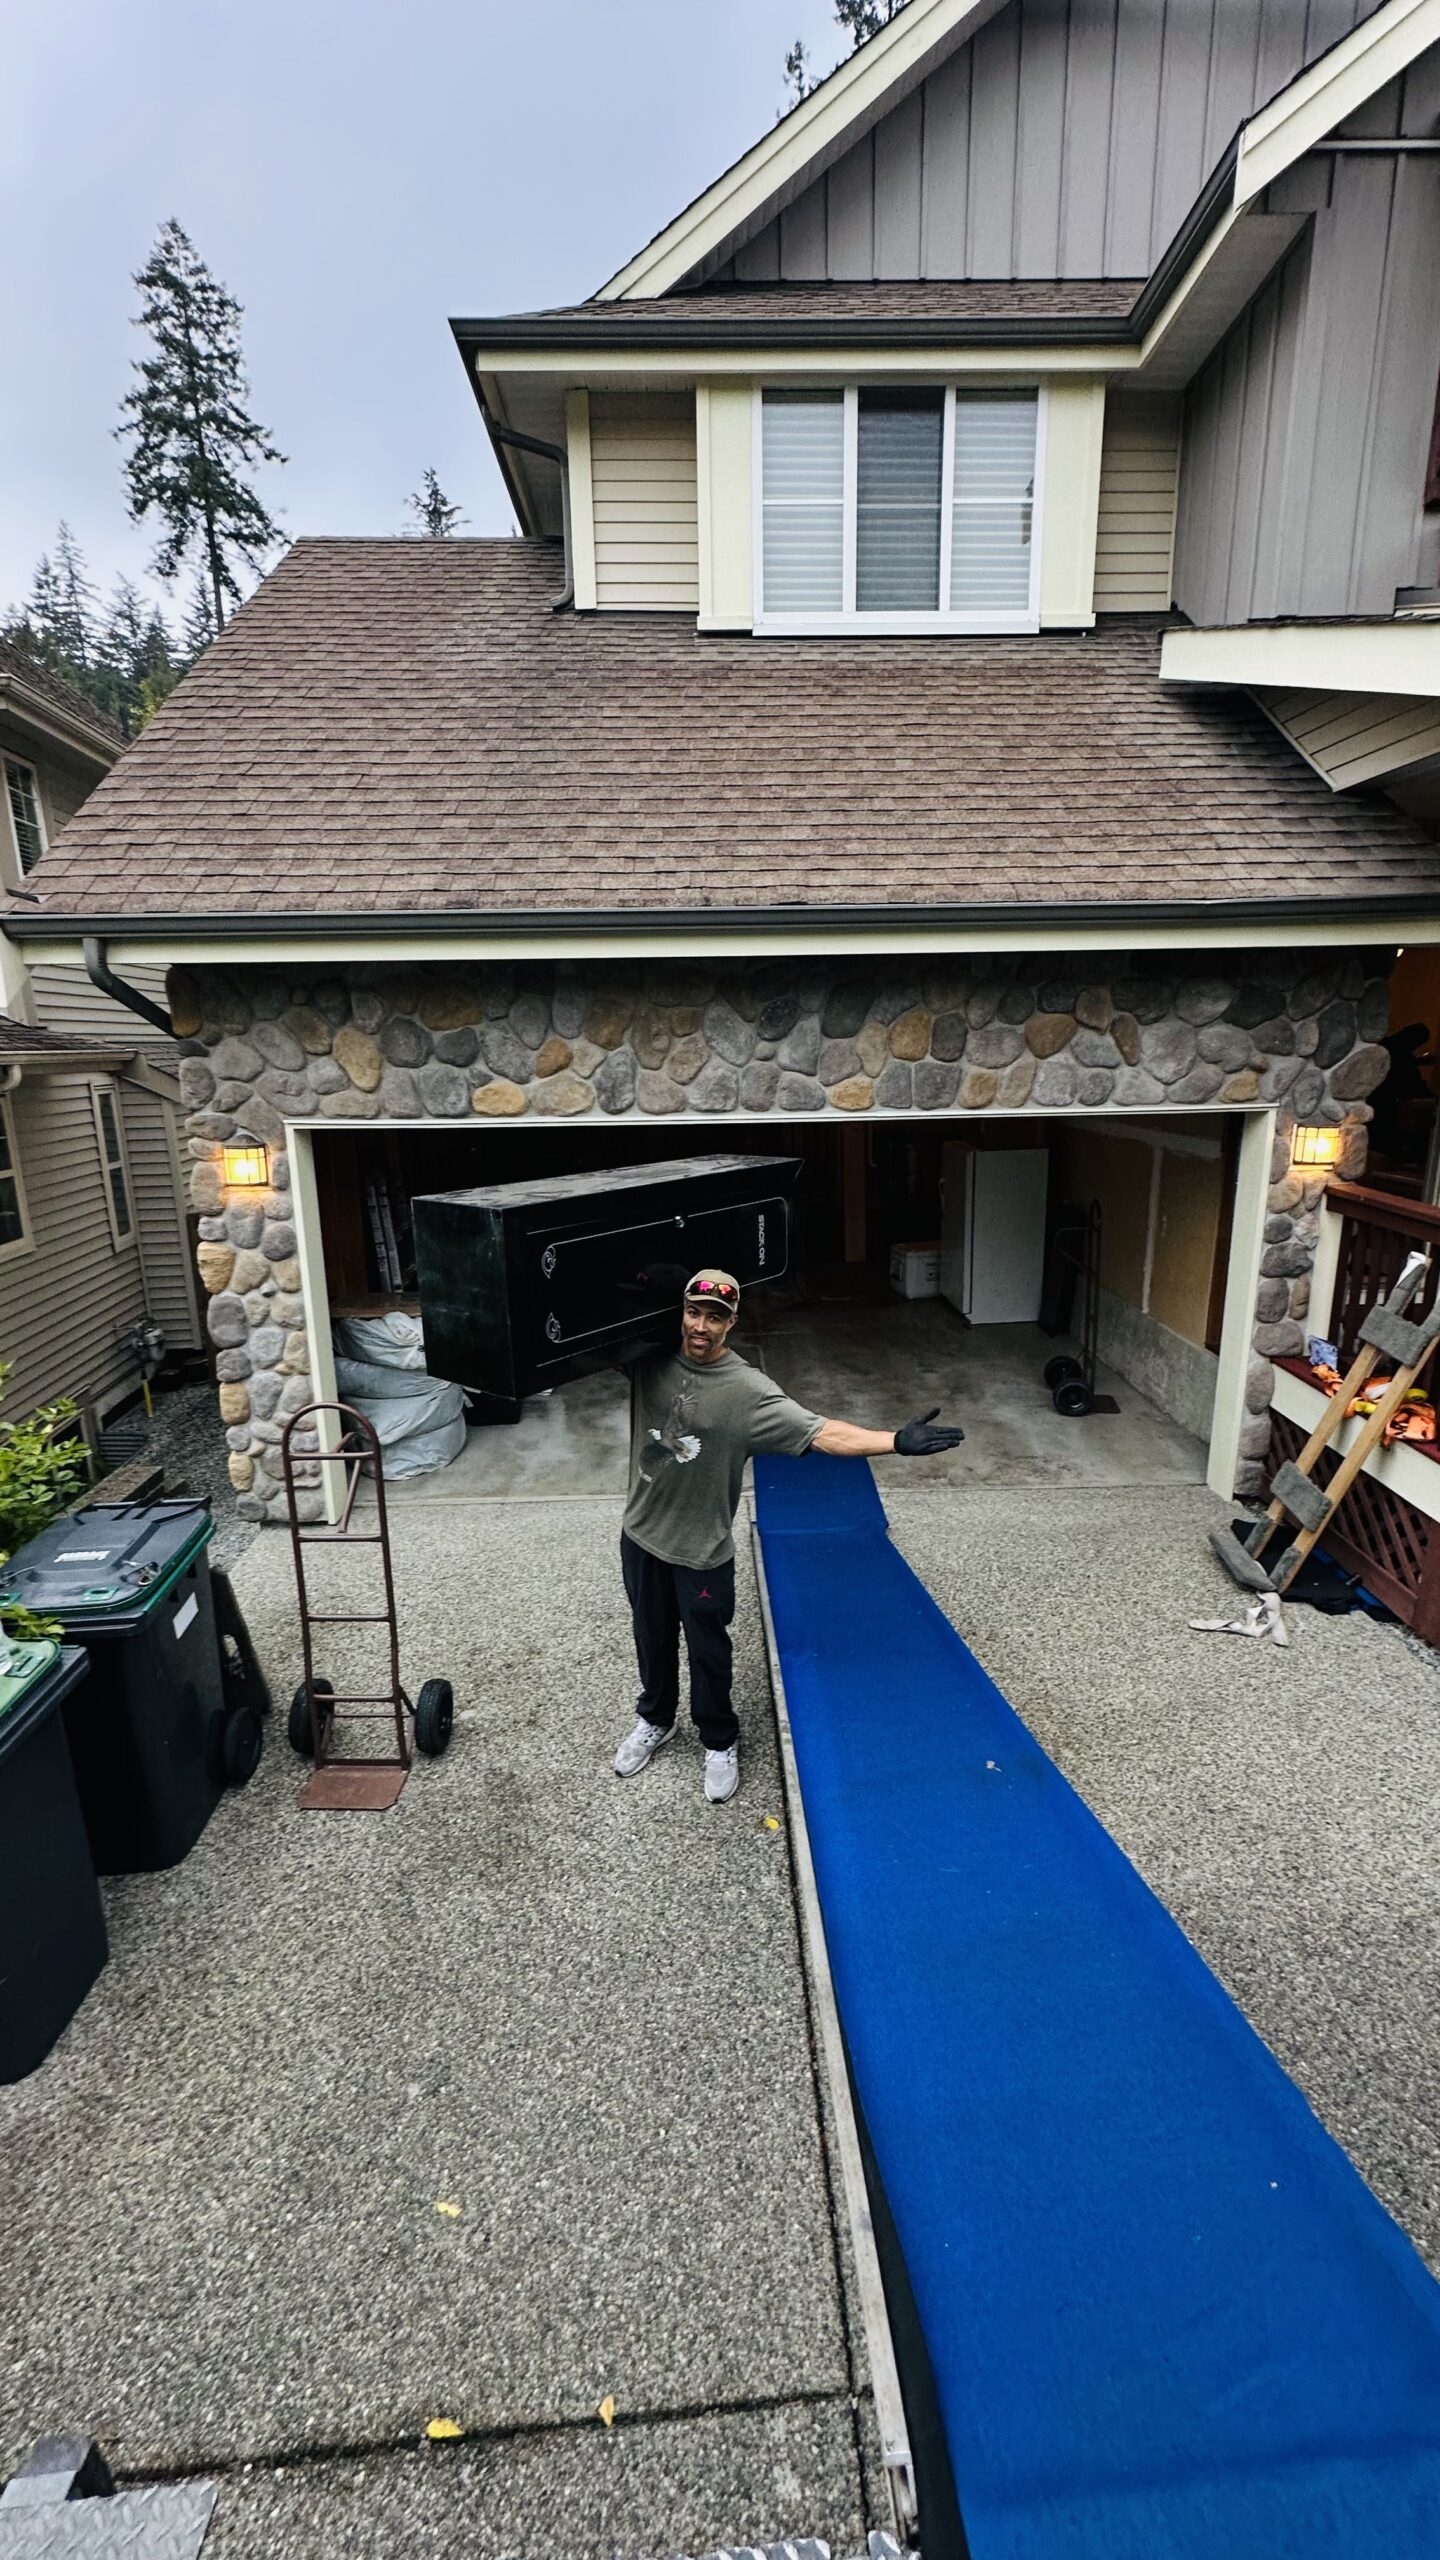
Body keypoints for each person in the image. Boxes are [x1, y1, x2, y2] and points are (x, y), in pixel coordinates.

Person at [613, 1265, 963, 1805]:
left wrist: (894, 1440)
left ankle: (718, 1738)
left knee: (708, 1650)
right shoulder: (646, 1357)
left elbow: (822, 1433)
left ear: (732, 1322)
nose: (700, 1326)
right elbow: (569, 1348)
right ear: (679, 1311)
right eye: (693, 1311)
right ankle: (656, 1719)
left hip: (701, 1550)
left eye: (714, 1316)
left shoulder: (748, 1392)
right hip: (639, 1536)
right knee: (650, 1636)